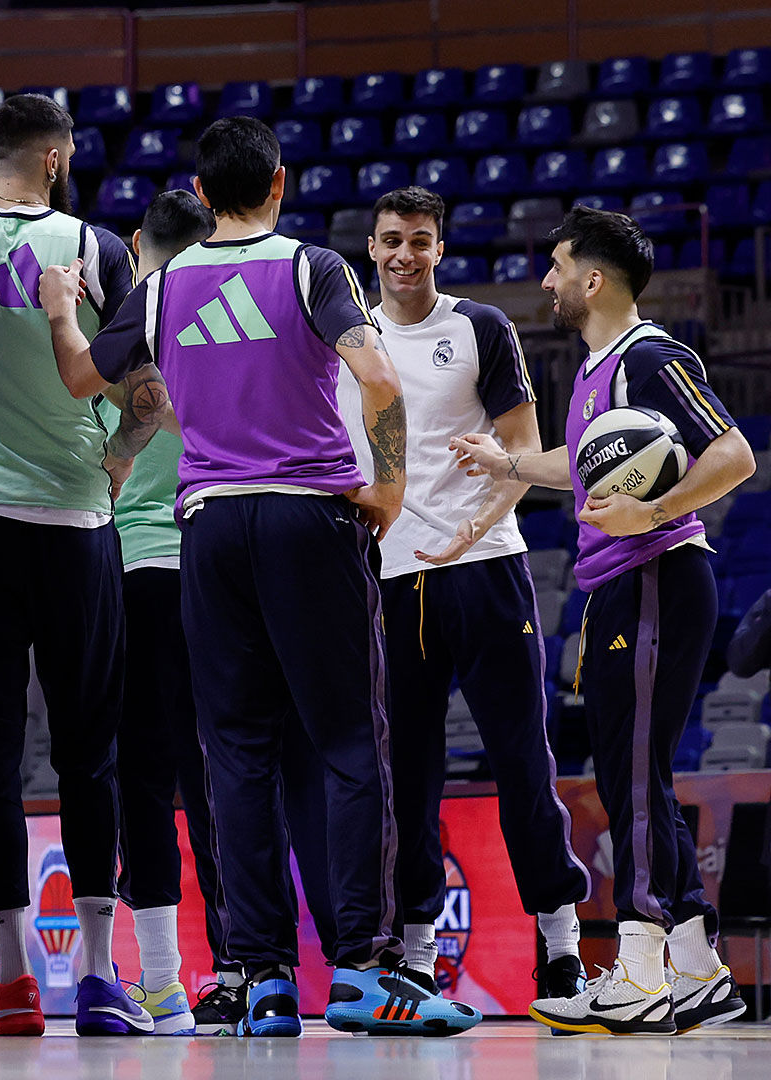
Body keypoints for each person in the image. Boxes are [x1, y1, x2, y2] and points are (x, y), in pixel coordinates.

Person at [49, 116, 479, 1037]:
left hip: (208, 526)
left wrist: (59, 308)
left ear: (201, 197)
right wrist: (391, 487)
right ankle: (362, 970)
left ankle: (263, 976)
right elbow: (379, 381)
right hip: (307, 517)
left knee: (234, 754)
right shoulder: (312, 268)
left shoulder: (163, 282)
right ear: (280, 184)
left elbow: (86, 376)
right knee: (347, 743)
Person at [457, 206, 756, 1034]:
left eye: (555, 267)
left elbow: (733, 455)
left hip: (657, 575)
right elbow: (583, 467)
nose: (546, 282)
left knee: (630, 775)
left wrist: (655, 511)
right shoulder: (597, 374)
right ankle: (696, 970)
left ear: (592, 279)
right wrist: (508, 461)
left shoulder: (651, 358)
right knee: (637, 771)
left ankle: (637, 969)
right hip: (627, 586)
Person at [336, 186, 590, 1001]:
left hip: (486, 569)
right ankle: (414, 951)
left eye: (419, 240)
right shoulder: (346, 338)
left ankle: (559, 941)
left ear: (439, 248)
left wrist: (468, 535)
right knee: (408, 774)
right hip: (394, 580)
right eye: (390, 241)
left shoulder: (481, 325)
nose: (405, 254)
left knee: (522, 759)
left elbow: (524, 450)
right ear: (370, 251)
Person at [0, 92, 146, 1038]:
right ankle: (103, 976)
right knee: (88, 756)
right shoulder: (99, 249)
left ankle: (15, 976)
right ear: (59, 157)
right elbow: (145, 396)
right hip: (78, 523)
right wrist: (116, 460)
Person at [81, 189, 230, 1035]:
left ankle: (166, 983)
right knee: (228, 773)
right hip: (218, 566)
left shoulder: (121, 333)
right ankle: (250, 969)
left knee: (141, 777)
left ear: (136, 244)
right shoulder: (230, 322)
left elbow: (103, 449)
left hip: (135, 570)